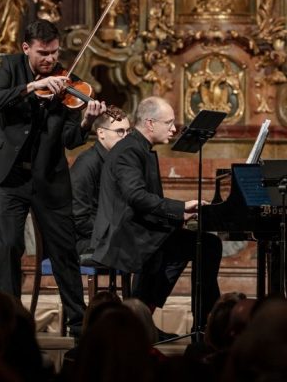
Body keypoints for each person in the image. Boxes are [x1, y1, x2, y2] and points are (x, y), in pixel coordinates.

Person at [0, 19, 106, 336]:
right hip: (10, 178)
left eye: (54, 53)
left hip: (49, 178)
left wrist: (87, 121)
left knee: (64, 250)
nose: (50, 60)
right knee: (8, 246)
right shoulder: (10, 67)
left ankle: (77, 322)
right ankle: (10, 322)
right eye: (43, 53)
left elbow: (71, 139)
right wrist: (30, 88)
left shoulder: (68, 83)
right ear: (26, 48)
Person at [90, 96, 222, 330]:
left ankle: (147, 316)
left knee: (202, 244)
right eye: (168, 123)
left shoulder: (139, 148)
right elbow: (136, 196)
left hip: (137, 227)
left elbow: (145, 200)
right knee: (204, 245)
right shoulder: (129, 151)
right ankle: (148, 319)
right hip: (124, 235)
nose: (174, 129)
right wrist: (179, 209)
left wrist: (178, 214)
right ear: (150, 123)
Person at [70, 105, 130, 258]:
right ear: (101, 133)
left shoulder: (119, 160)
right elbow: (79, 219)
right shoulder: (86, 164)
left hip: (105, 233)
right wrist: (115, 231)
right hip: (85, 241)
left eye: (128, 131)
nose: (125, 137)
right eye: (119, 132)